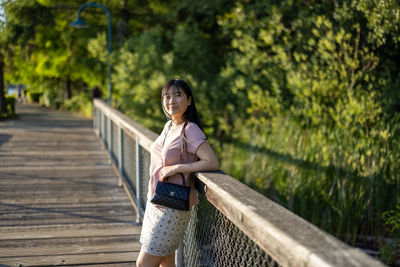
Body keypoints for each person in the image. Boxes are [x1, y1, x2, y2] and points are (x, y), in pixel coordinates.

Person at [136, 79, 219, 267]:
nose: (171, 100)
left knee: (143, 264)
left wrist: (179, 168)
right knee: (166, 261)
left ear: (189, 100)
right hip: (156, 200)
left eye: (177, 95)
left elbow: (212, 162)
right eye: (167, 96)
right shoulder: (169, 126)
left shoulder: (190, 129)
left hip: (173, 206)